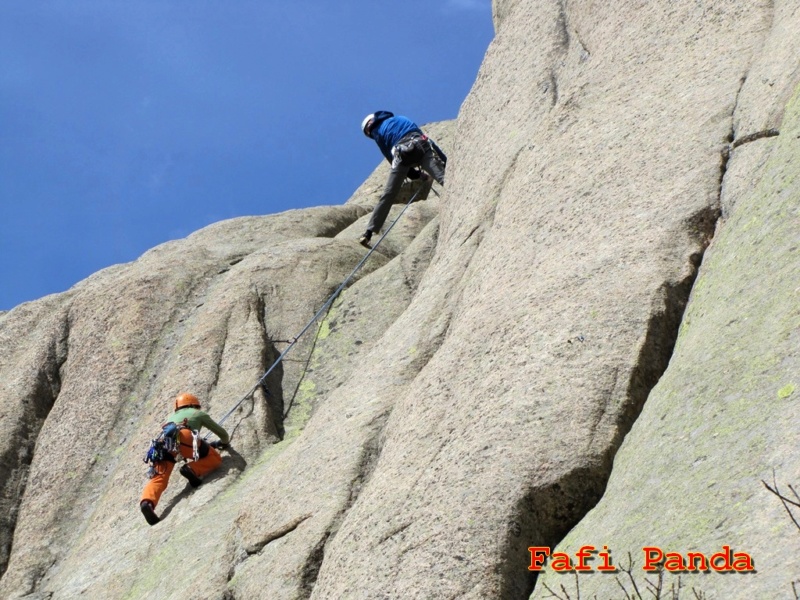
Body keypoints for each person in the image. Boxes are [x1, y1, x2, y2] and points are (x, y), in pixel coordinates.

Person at [140, 392, 230, 526]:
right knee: (214, 458)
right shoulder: (198, 413)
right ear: (194, 405)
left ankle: (147, 503)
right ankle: (191, 468)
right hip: (186, 439)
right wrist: (224, 442)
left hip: (164, 443)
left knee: (159, 477)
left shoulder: (171, 417)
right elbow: (222, 433)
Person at [359, 111, 446, 247]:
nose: (370, 133)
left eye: (368, 132)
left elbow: (389, 156)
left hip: (402, 155)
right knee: (442, 177)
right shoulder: (401, 118)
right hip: (420, 144)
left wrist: (417, 175)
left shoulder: (376, 130)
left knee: (389, 194)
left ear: (370, 123)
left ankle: (369, 232)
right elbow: (429, 141)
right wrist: (446, 162)